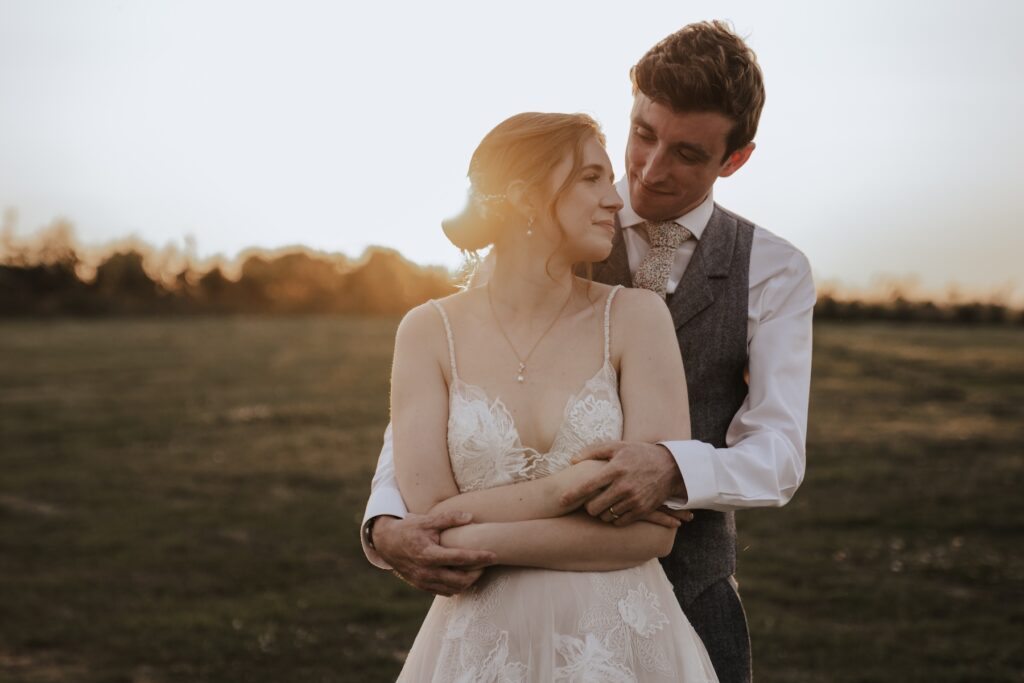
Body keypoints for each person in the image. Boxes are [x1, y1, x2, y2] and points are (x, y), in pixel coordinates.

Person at [363, 21, 816, 683]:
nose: (650, 170)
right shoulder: (547, 231)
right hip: (502, 598)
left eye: (687, 153)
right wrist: (385, 520)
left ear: (734, 158)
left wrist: (671, 466)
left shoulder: (773, 270)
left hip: (684, 593)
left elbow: (778, 451)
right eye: (643, 135)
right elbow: (453, 394)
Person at [388, 112, 720, 681]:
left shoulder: (637, 319)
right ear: (522, 197)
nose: (614, 199)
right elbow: (429, 520)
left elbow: (651, 532)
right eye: (591, 177)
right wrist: (571, 487)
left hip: (620, 644)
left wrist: (474, 533)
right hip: (481, 647)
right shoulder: (426, 331)